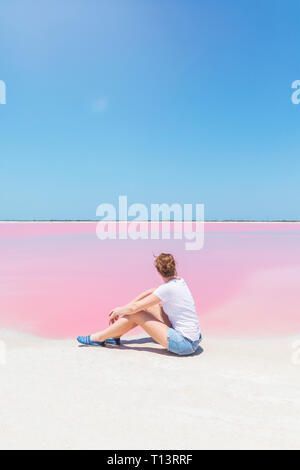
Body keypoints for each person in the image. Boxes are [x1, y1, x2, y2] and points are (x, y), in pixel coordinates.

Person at [77, 253, 202, 356]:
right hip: (194, 339)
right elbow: (149, 293)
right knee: (148, 306)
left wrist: (119, 310)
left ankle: (98, 338)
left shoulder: (167, 289)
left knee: (137, 314)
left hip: (185, 344)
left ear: (158, 271)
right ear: (174, 267)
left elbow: (135, 308)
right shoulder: (179, 282)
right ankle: (115, 335)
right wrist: (126, 306)